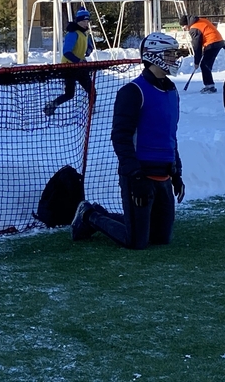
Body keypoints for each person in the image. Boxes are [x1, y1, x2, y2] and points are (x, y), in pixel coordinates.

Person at [70, 32, 185, 250]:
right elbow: (120, 137)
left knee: (161, 237)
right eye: (169, 54)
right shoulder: (133, 91)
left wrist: (177, 171)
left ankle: (111, 215)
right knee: (136, 242)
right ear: (154, 56)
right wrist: (135, 174)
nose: (174, 59)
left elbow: (170, 135)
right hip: (139, 174)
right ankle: (89, 215)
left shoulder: (171, 91)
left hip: (163, 174)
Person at [44, 8, 95, 116]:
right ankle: (52, 105)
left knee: (92, 91)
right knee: (69, 94)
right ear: (78, 21)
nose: (85, 23)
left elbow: (88, 46)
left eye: (87, 21)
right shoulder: (72, 34)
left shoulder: (85, 34)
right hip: (69, 68)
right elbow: (67, 52)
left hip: (80, 67)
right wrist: (78, 61)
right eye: (83, 21)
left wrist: (89, 49)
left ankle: (91, 110)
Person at [179, 14, 225, 94]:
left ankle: (210, 86)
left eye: (183, 26)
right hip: (217, 41)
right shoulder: (200, 20)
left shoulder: (194, 28)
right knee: (206, 64)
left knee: (204, 65)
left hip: (212, 42)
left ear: (187, 24)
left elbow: (197, 46)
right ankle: (209, 84)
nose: (183, 28)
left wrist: (197, 61)